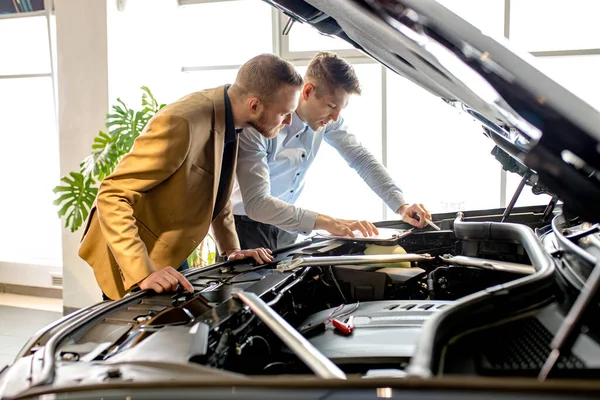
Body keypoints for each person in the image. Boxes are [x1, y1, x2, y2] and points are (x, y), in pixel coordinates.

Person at [79, 54, 304, 300]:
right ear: (254, 105)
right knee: (141, 336)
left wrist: (231, 250)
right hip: (131, 254)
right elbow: (112, 194)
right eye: (284, 113)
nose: (289, 121)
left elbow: (216, 190)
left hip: (169, 246)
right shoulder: (181, 122)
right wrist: (142, 272)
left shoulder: (231, 118)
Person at [231, 52, 432, 250]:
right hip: (246, 227)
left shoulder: (327, 122)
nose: (335, 117)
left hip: (289, 227)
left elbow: (360, 158)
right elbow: (257, 204)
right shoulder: (260, 125)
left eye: (340, 109)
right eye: (331, 106)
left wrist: (402, 206)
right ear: (307, 91)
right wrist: (329, 222)